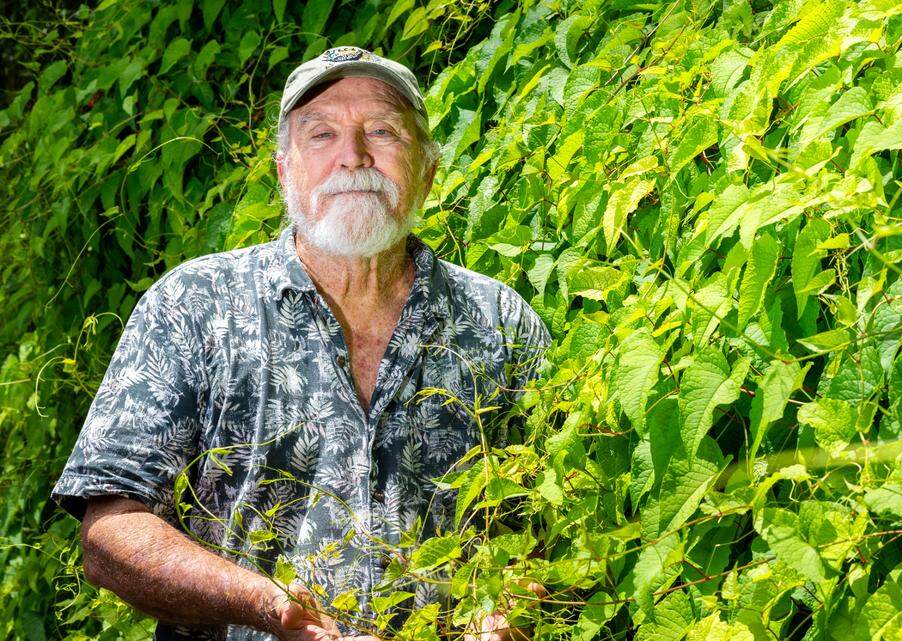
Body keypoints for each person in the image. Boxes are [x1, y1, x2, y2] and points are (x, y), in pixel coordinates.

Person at [51, 46, 550, 641]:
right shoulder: (195, 305)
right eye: (321, 135)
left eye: (383, 131)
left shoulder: (500, 321)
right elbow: (112, 533)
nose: (354, 156)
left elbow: (554, 525)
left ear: (428, 170)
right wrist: (267, 605)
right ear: (285, 170)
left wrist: (513, 608)